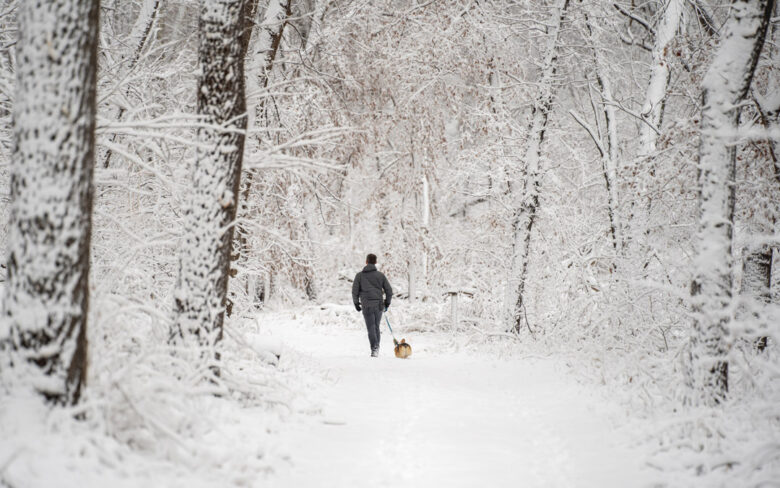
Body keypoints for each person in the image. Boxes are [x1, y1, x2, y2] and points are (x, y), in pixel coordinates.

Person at [352, 253, 393, 357]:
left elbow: (354, 291)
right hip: (379, 305)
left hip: (367, 305)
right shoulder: (380, 275)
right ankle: (376, 347)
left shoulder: (359, 276)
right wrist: (387, 302)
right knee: (376, 327)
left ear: (366, 262)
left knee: (371, 327)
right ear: (375, 262)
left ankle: (375, 348)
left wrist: (356, 303)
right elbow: (389, 290)